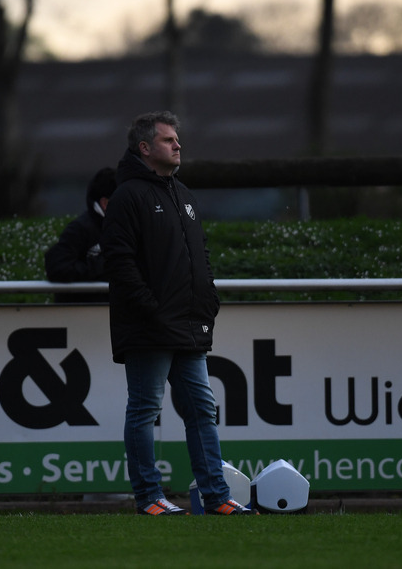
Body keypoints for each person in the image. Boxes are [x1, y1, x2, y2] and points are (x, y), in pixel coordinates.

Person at [101, 111, 254, 516]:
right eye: (168, 140)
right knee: (145, 411)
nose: (178, 145)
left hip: (188, 325)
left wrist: (208, 299)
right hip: (149, 327)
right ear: (145, 148)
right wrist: (150, 309)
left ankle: (216, 497)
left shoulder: (183, 195)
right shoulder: (127, 196)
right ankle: (149, 497)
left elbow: (200, 254)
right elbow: (119, 262)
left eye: (177, 139)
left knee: (202, 410)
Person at [44, 167, 116, 303]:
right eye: (126, 200)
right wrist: (105, 265)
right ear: (105, 203)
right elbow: (57, 267)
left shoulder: (128, 229)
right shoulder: (80, 229)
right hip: (83, 312)